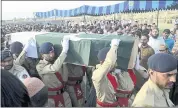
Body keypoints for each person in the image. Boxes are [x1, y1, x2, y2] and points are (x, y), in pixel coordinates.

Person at [36, 37, 72, 107]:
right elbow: (54, 68)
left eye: (52, 52)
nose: (52, 55)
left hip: (64, 95)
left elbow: (65, 78)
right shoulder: (40, 66)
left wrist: (64, 62)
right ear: (42, 55)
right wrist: (64, 51)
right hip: (51, 99)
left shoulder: (58, 61)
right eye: (49, 53)